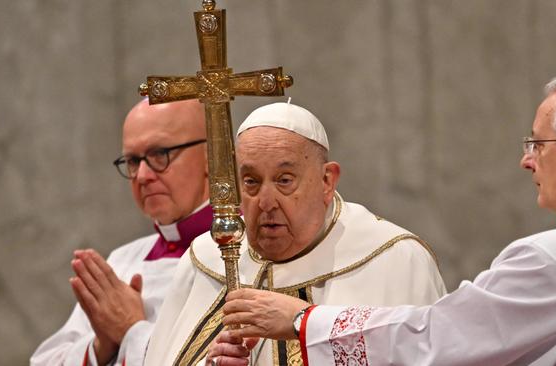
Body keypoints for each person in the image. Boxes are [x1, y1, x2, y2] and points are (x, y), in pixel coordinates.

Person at [221, 72, 556, 365]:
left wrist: (300, 320)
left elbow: (434, 340)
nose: (526, 160)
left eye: (537, 144)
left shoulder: (553, 262)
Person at [143, 102, 446, 366]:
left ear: (327, 180)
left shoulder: (395, 261)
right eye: (251, 182)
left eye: (284, 180)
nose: (265, 202)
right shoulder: (206, 260)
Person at [31, 98, 213, 366]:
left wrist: (131, 329)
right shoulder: (122, 261)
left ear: (213, 156)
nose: (142, 176)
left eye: (160, 154)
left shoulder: (248, 256)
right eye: (132, 160)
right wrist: (102, 343)